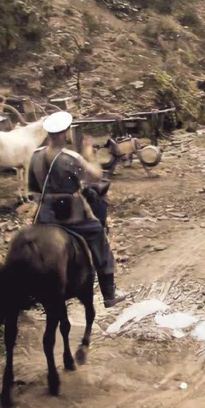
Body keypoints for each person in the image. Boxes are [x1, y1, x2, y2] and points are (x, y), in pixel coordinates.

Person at [28, 111, 126, 308]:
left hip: (45, 213)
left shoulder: (35, 156)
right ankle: (109, 294)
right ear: (65, 134)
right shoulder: (70, 157)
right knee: (98, 237)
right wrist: (90, 154)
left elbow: (34, 188)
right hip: (71, 213)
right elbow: (96, 176)